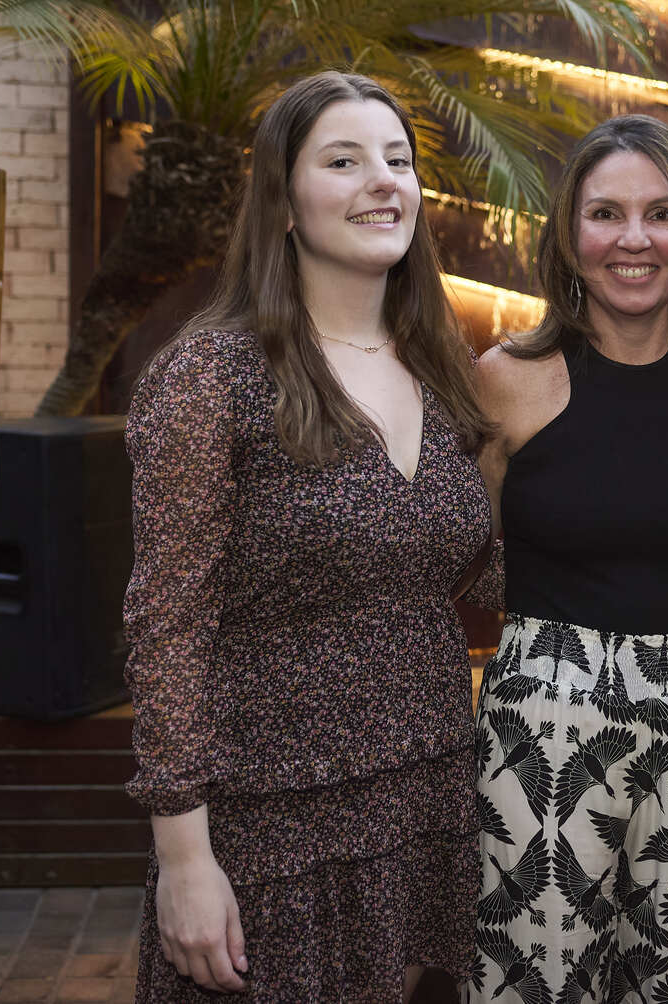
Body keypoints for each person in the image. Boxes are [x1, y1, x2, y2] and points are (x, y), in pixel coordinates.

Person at [123, 71, 498, 1001]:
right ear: (283, 203)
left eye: (398, 160)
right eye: (344, 161)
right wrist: (184, 856)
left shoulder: (444, 369)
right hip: (275, 827)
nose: (384, 181)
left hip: (429, 799)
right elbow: (165, 626)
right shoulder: (212, 377)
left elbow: (481, 572)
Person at [470, 114, 668, 1002]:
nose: (633, 239)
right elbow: (475, 558)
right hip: (542, 728)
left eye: (661, 213)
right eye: (606, 213)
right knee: (541, 981)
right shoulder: (506, 377)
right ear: (568, 237)